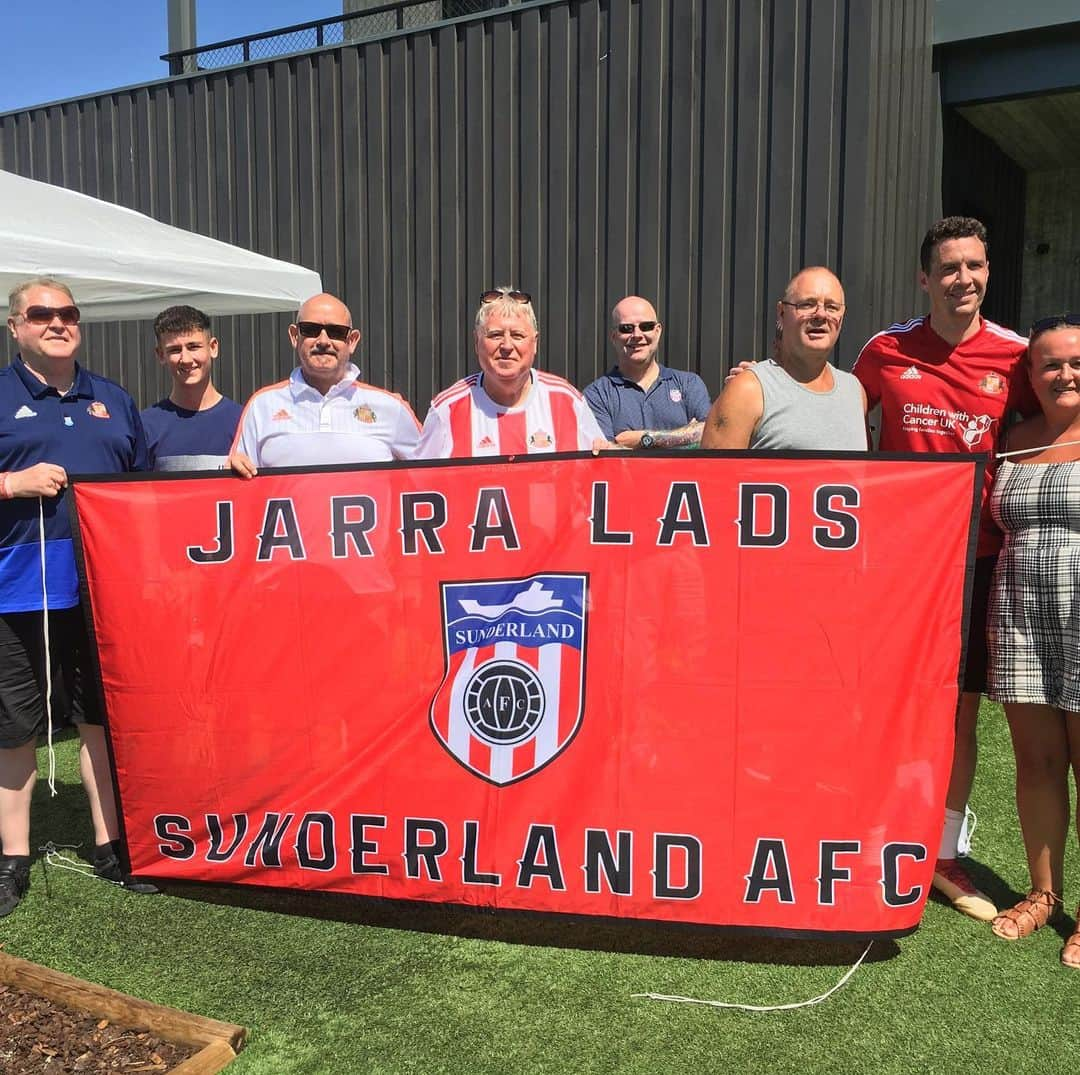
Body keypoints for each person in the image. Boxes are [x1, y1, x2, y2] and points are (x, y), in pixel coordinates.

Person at [853, 216, 1032, 922]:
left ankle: (944, 850)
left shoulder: (1017, 356)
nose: (964, 278)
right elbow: (833, 416)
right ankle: (876, 829)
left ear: (989, 272)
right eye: (950, 267)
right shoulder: (884, 350)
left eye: (976, 266)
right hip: (898, 563)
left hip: (983, 560)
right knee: (888, 700)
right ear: (924, 278)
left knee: (960, 711)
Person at [0, 278, 155, 916]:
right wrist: (12, 483)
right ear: (16, 327)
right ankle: (13, 859)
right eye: (42, 314)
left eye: (68, 313)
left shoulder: (113, 400)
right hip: (16, 591)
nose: (58, 322)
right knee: (15, 728)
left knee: (100, 717)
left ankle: (110, 844)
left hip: (104, 589)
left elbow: (147, 492)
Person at [984, 314, 1080, 967]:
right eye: (1051, 363)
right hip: (1017, 611)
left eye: (1076, 361)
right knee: (1036, 763)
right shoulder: (1012, 437)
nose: (1066, 373)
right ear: (1031, 374)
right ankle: (1043, 892)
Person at [230, 292, 420, 475]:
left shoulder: (391, 408)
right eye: (311, 330)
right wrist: (233, 470)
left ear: (352, 341)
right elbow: (239, 484)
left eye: (336, 332)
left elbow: (433, 476)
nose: (323, 341)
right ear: (295, 336)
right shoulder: (262, 405)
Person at [415, 287, 608, 458]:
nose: (507, 346)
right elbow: (417, 484)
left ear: (535, 343)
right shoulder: (447, 410)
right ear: (476, 342)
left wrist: (608, 454)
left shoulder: (568, 401)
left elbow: (603, 472)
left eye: (517, 335)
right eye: (495, 335)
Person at [701, 267, 867, 450]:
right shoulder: (748, 390)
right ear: (781, 313)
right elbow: (713, 476)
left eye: (832, 307)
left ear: (841, 317)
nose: (820, 315)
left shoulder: (855, 392)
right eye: (807, 304)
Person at [583, 295, 711, 448]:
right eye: (626, 328)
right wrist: (684, 435)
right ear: (614, 337)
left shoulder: (689, 384)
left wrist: (645, 439)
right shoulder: (597, 395)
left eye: (646, 327)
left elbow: (710, 434)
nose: (637, 335)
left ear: (658, 331)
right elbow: (606, 452)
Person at [141, 305, 242, 470]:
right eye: (174, 350)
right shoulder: (145, 426)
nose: (186, 359)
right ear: (160, 355)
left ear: (213, 347)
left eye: (193, 347)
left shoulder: (244, 421)